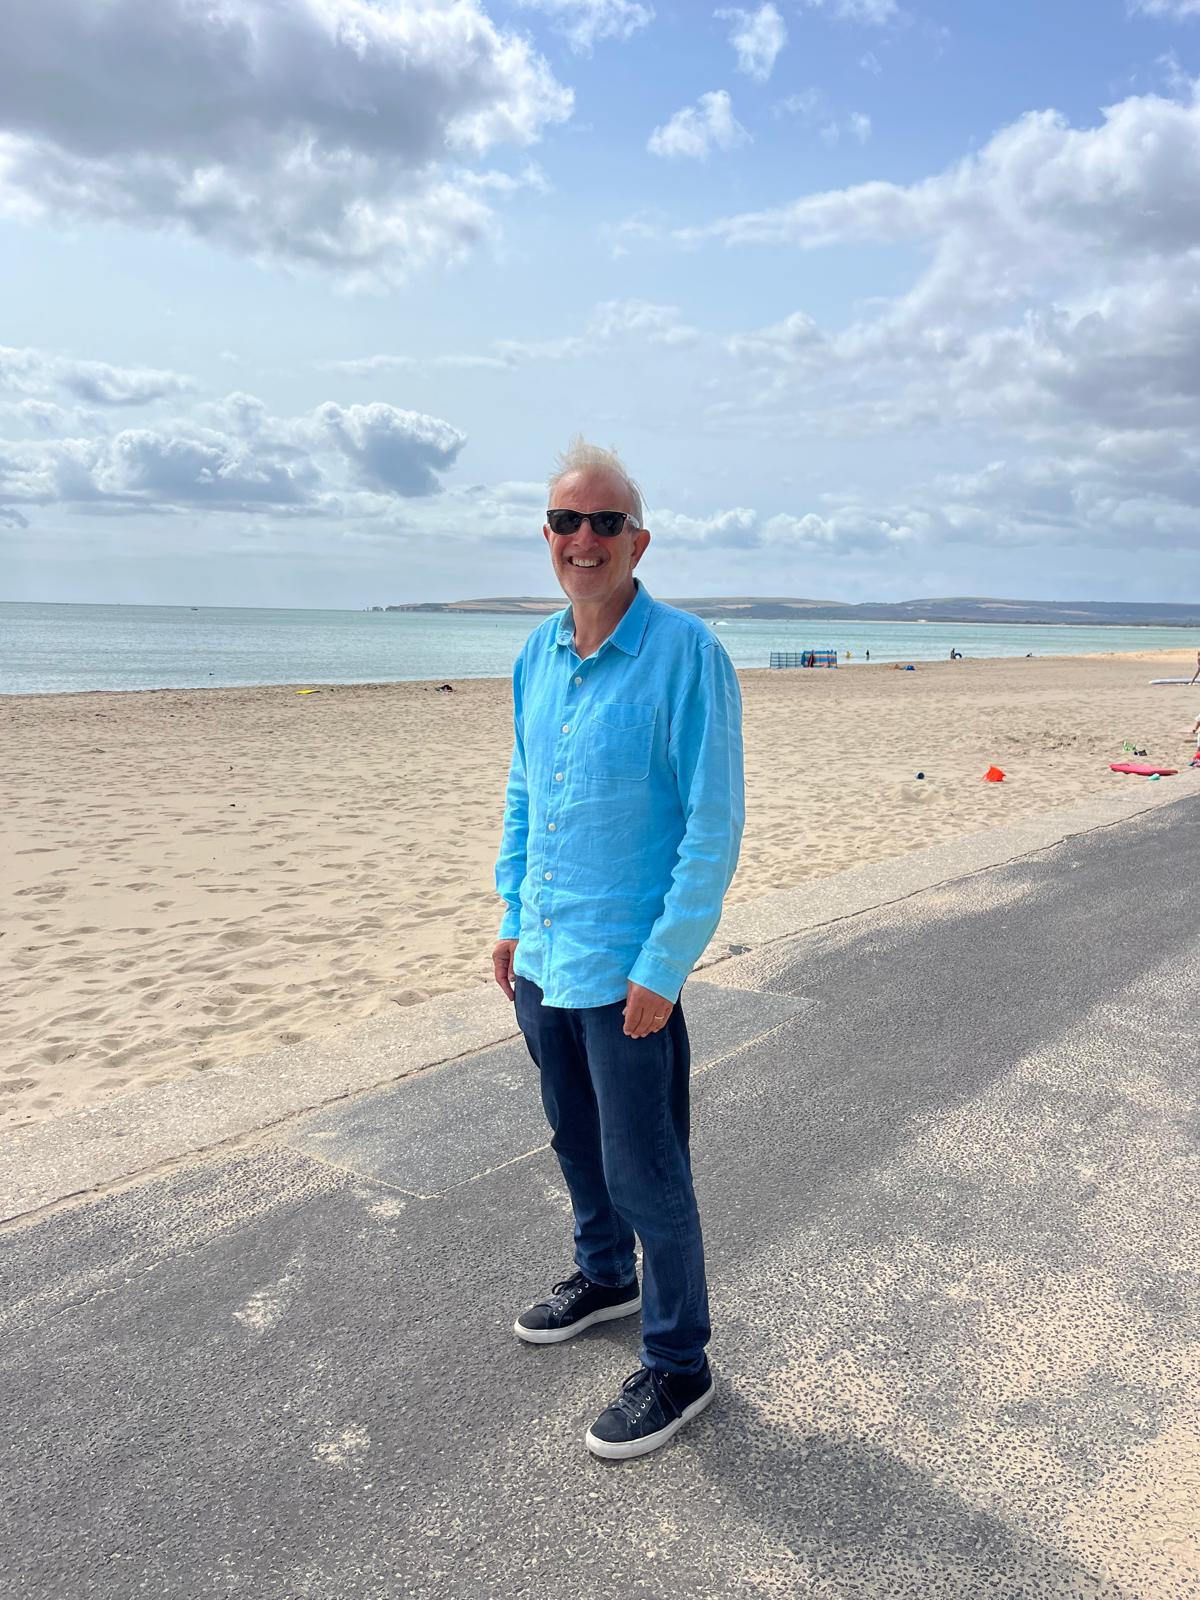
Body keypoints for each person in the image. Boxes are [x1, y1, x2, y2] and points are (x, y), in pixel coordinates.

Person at [492, 437, 744, 1461]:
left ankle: (680, 1364)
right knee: (571, 1138)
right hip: (546, 956)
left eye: (604, 523)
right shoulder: (536, 654)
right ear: (548, 538)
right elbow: (522, 793)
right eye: (566, 521)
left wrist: (663, 965)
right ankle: (605, 1274)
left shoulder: (687, 655)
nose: (583, 539)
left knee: (650, 1171)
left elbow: (710, 826)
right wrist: (511, 913)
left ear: (638, 540)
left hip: (629, 973)